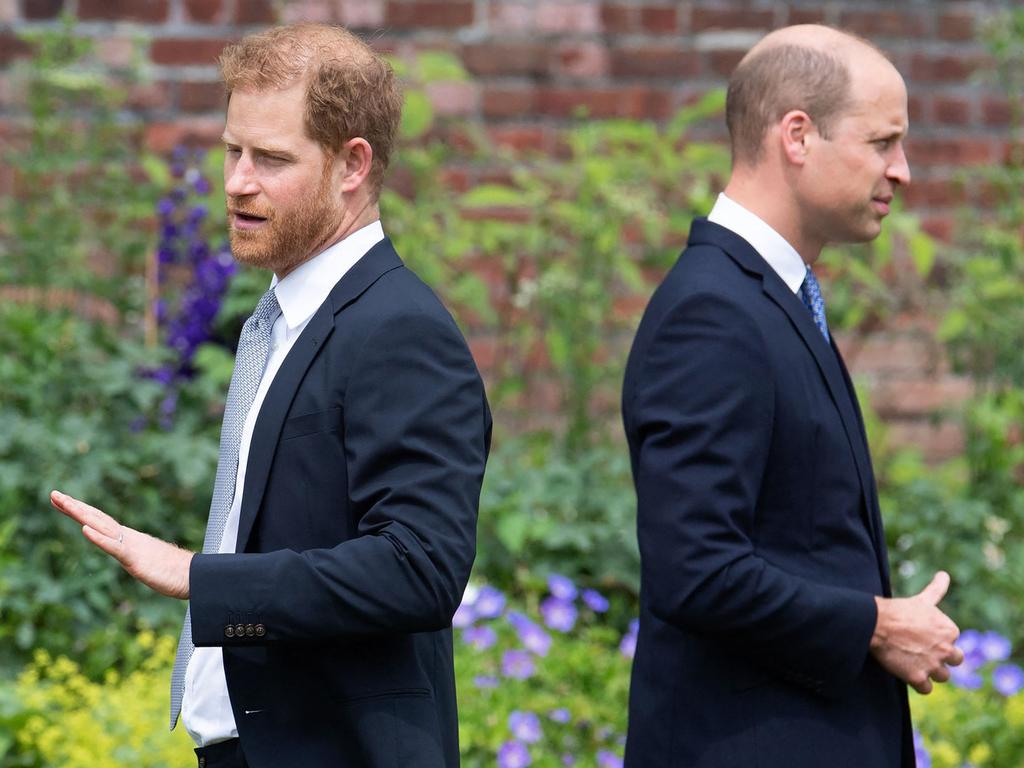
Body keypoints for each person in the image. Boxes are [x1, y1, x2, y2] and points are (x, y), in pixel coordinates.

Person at [52, 23, 491, 768]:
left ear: (353, 164)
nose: (236, 182)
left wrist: (201, 578)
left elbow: (419, 570)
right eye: (232, 150)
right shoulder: (283, 319)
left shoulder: (399, 328)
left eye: (272, 159)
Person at [621, 24, 962, 768]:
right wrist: (875, 625)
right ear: (797, 136)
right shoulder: (712, 313)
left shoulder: (771, 297)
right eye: (882, 143)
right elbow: (697, 569)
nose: (902, 171)